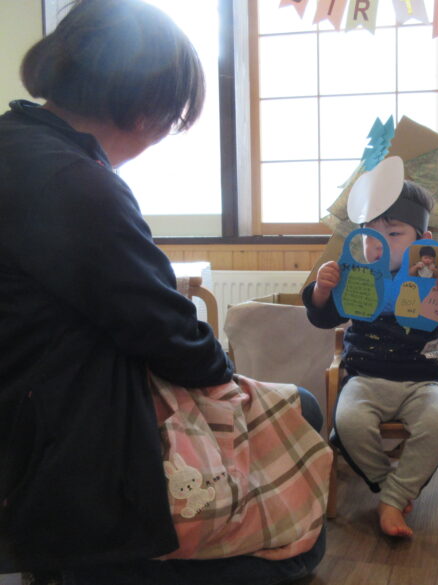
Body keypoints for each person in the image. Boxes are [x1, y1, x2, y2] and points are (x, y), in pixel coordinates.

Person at [0, 1, 326, 583]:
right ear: (146, 109)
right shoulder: (75, 182)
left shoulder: (19, 146)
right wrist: (224, 372)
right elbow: (167, 331)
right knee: (304, 538)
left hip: (33, 402)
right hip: (65, 434)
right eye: (170, 119)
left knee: (298, 407)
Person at [304, 179, 438, 537]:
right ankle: (393, 490)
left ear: (423, 239)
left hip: (421, 383)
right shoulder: (357, 275)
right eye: (370, 235)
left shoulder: (436, 279)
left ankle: (392, 499)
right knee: (348, 423)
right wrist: (322, 290)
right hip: (363, 379)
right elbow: (323, 318)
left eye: (394, 233)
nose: (379, 244)